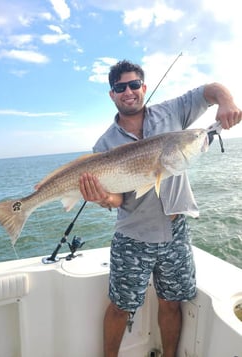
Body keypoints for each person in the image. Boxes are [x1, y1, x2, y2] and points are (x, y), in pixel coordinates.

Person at [79, 60, 242, 357]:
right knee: (120, 306)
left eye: (133, 85)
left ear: (143, 87)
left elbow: (210, 91)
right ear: (112, 94)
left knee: (172, 301)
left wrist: (227, 101)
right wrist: (102, 198)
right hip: (133, 236)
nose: (127, 91)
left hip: (176, 232)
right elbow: (117, 200)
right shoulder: (104, 144)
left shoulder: (172, 111)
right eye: (119, 87)